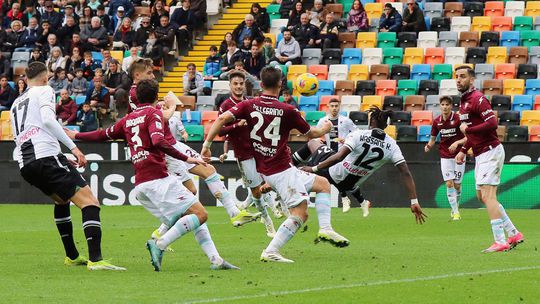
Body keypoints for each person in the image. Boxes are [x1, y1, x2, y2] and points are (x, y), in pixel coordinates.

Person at [68, 79, 239, 272]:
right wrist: (187, 158)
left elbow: (102, 134)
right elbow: (158, 140)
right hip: (159, 180)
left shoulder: (128, 119)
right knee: (201, 214)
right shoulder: (153, 113)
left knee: (191, 214)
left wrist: (76, 136)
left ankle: (216, 259)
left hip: (141, 186)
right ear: (156, 97)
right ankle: (159, 243)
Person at [202, 66, 350, 263]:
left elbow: (221, 118)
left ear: (261, 85)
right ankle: (271, 251)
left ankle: (326, 229)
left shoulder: (249, 105)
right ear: (280, 85)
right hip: (280, 170)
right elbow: (311, 134)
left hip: (271, 167)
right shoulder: (288, 110)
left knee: (323, 184)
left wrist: (207, 145)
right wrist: (326, 126)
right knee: (300, 214)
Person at [10, 61, 125, 270]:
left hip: (26, 164)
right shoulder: (44, 90)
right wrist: (74, 149)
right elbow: (47, 120)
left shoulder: (16, 103)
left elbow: (28, 134)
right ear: (45, 78)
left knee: (62, 201)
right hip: (45, 157)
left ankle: (72, 255)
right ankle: (96, 260)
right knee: (90, 202)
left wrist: (59, 155)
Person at [294, 106, 427, 223]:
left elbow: (339, 157)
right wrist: (414, 201)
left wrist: (314, 168)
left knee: (313, 143)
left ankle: (286, 168)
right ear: (386, 126)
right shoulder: (392, 145)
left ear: (370, 123)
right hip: (350, 184)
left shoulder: (359, 135)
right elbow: (405, 172)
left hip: (332, 172)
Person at [454, 66, 524, 252]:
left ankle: (500, 240)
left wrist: (468, 130)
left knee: (488, 195)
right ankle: (514, 233)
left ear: (472, 80)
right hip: (480, 153)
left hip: (490, 151)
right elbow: (473, 133)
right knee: (481, 196)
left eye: (462, 77)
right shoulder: (464, 102)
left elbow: (492, 123)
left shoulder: (477, 98)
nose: (458, 80)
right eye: (457, 77)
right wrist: (463, 149)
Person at [217, 71, 276, 237]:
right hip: (243, 154)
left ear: (245, 85)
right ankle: (267, 220)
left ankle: (277, 209)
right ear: (230, 86)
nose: (238, 86)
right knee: (256, 191)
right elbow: (220, 130)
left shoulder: (251, 103)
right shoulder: (225, 106)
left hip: (260, 150)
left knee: (271, 180)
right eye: (235, 84)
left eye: (241, 84)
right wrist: (237, 125)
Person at [424, 96, 467, 221]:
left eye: (447, 104)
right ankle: (455, 212)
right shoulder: (437, 121)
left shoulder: (458, 119)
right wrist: (428, 146)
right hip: (445, 156)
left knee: (457, 185)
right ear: (440, 106)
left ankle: (456, 206)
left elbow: (467, 138)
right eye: (442, 104)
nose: (445, 107)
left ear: (451, 106)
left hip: (459, 155)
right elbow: (432, 139)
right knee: (449, 183)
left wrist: (457, 143)